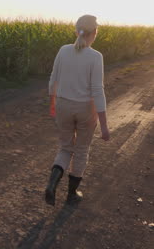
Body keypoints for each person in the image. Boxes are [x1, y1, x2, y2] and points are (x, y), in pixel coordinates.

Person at [45, 14, 110, 206]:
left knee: (66, 148)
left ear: (77, 31)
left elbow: (53, 79)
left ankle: (52, 184)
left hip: (63, 104)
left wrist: (52, 104)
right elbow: (98, 91)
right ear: (95, 33)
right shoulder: (96, 57)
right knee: (81, 150)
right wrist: (104, 126)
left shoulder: (63, 51)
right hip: (85, 109)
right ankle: (71, 194)